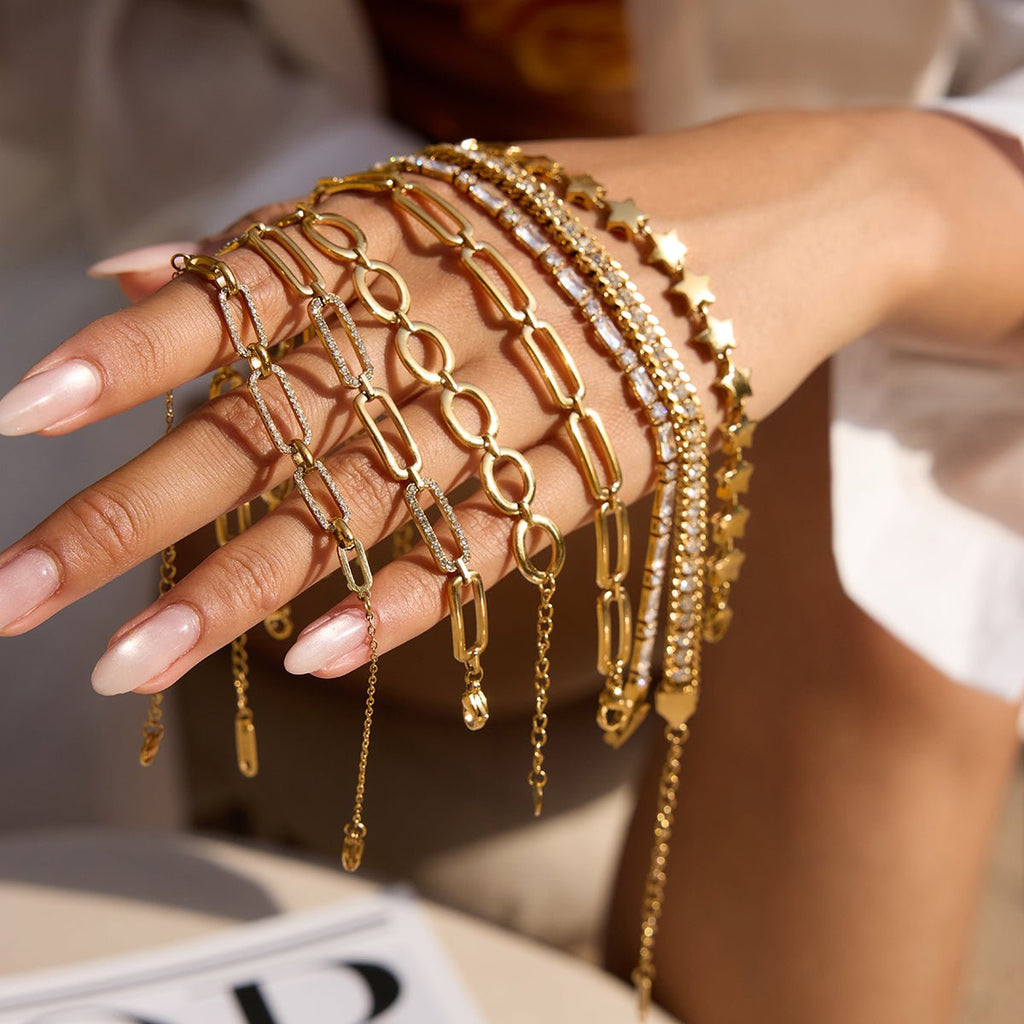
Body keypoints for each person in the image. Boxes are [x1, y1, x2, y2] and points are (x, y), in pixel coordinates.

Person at [0, 2, 1021, 1021]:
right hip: (238, 239)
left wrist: (880, 193)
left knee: (885, 442)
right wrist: (367, 205)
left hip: (824, 308)